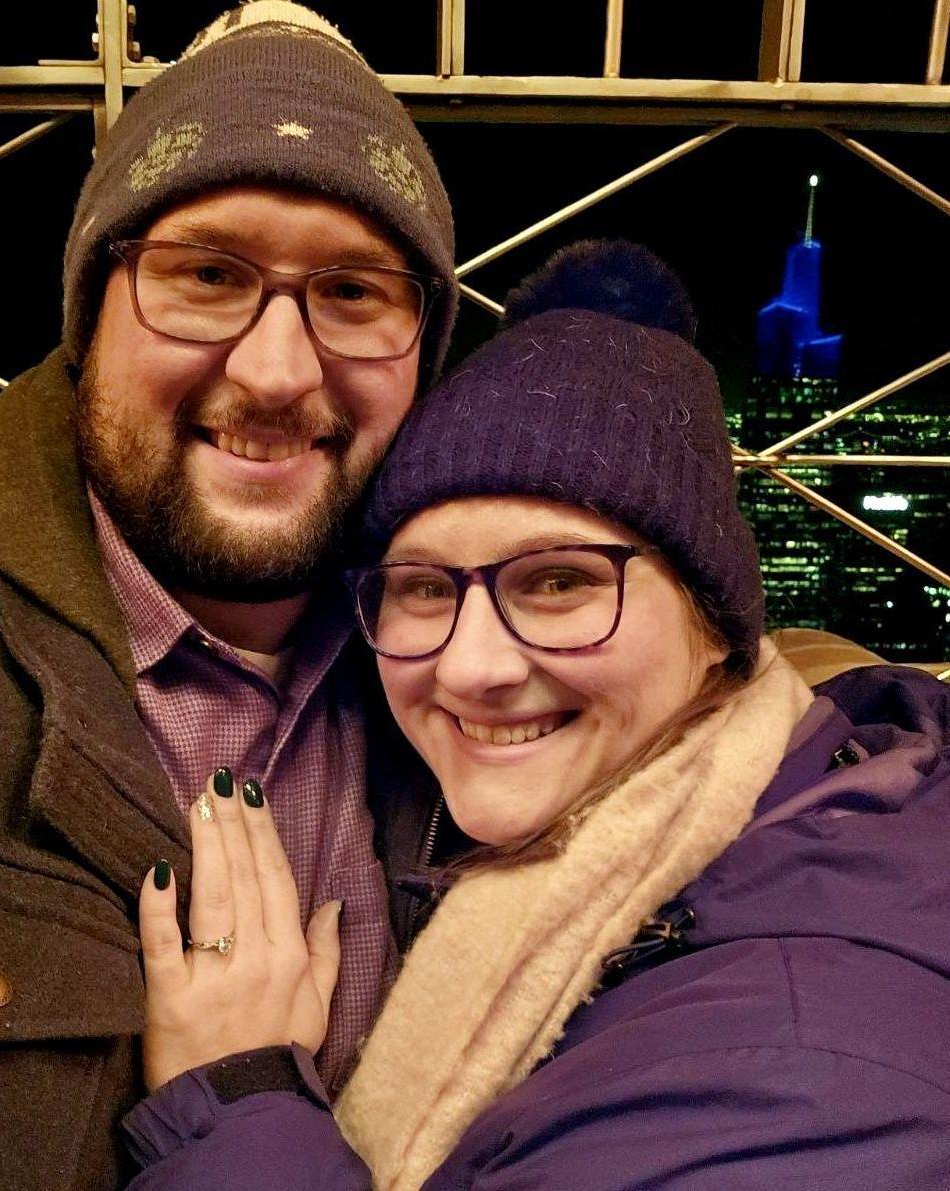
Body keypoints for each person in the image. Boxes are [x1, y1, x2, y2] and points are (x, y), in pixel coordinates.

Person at [0, 5, 458, 1187]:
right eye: (205, 274)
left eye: (353, 294)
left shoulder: (473, 695)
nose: (278, 370)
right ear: (89, 317)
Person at [123, 242, 950, 1189]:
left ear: (714, 623)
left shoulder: (805, 1076)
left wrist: (233, 1102)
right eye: (426, 587)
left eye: (559, 581)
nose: (472, 666)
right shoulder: (808, 806)